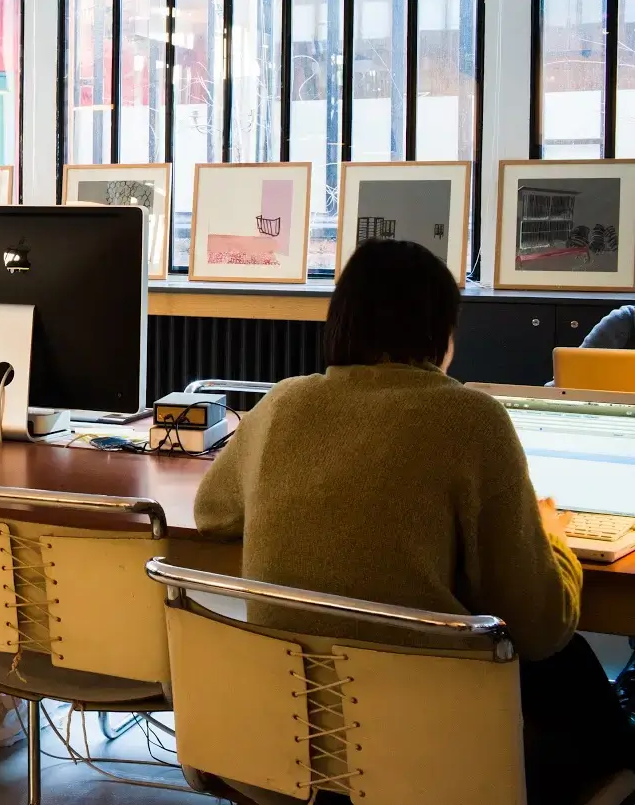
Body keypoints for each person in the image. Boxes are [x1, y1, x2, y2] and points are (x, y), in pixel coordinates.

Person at [195, 239, 634, 805]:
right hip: (428, 755)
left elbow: (212, 513)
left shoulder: (282, 404)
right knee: (570, 667)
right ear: (442, 334)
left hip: (287, 748)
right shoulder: (472, 418)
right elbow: (540, 625)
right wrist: (550, 538)